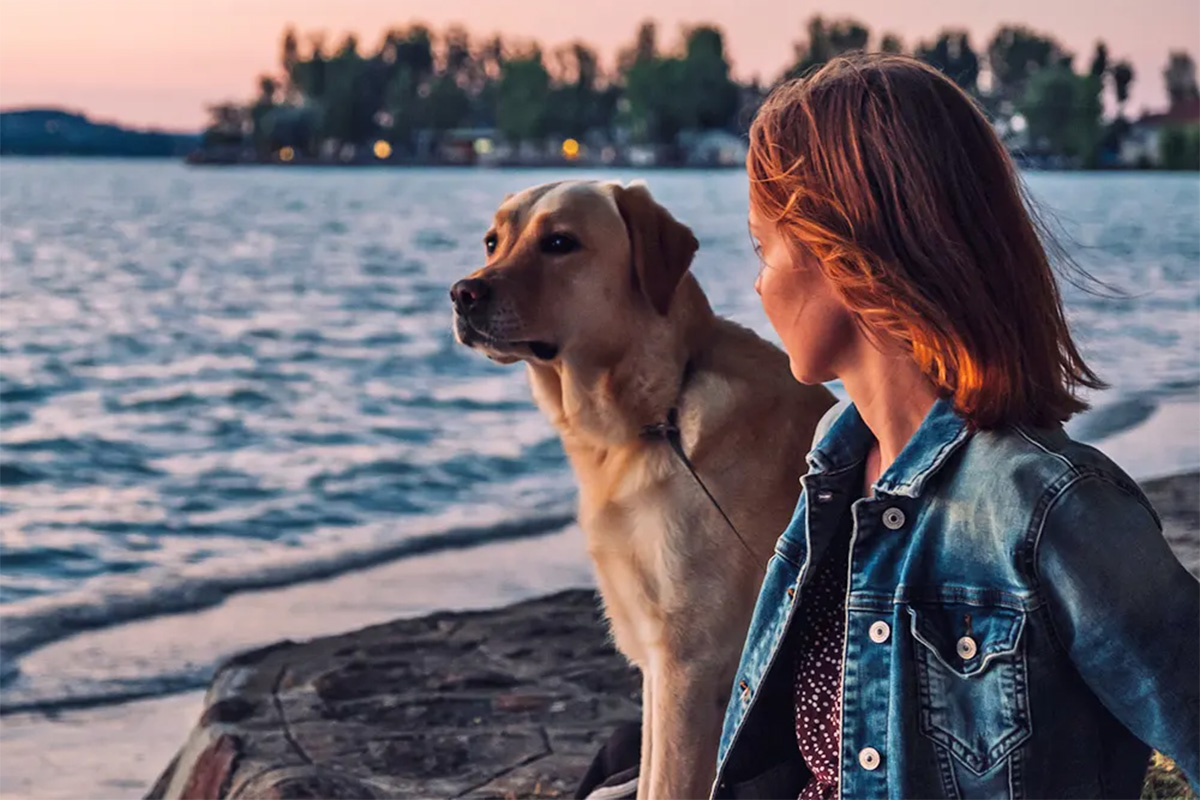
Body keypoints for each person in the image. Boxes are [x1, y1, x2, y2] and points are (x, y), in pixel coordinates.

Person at [711, 53, 1200, 799]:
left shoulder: (1050, 508)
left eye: (762, 247)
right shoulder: (836, 467)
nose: (758, 283)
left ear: (841, 252)